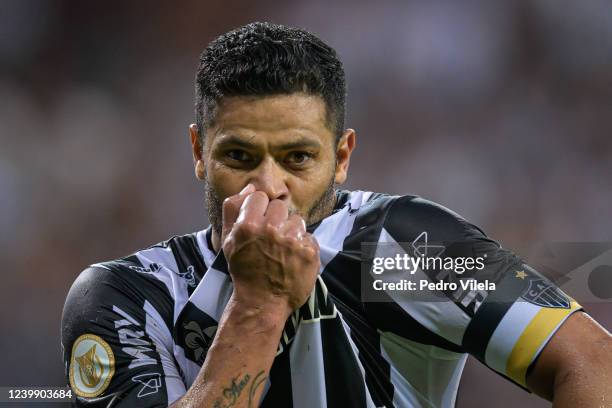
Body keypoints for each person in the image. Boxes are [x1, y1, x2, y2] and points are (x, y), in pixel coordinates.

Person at [61, 22, 612, 408]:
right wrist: (260, 304)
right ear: (197, 152)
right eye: (238, 156)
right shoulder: (126, 295)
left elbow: (593, 361)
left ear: (342, 156)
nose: (268, 185)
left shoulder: (407, 250)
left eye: (297, 157)